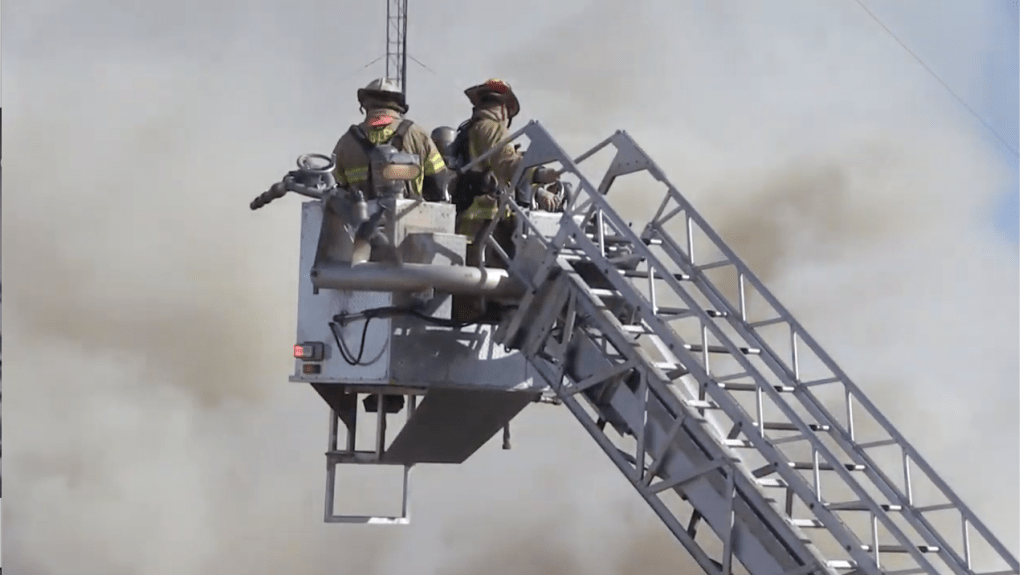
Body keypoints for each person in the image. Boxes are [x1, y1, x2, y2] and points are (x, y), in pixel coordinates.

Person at [332, 78, 450, 202]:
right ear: (398, 105)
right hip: (410, 214)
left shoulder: (347, 142)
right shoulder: (417, 135)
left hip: (362, 214)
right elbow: (438, 183)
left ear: (365, 105)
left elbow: (336, 190)